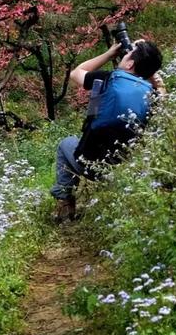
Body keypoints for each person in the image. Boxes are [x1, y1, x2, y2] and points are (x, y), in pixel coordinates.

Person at [50, 38, 164, 221]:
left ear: (130, 63)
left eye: (127, 54)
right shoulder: (153, 95)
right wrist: (155, 80)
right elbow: (163, 98)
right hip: (123, 170)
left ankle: (65, 204)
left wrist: (110, 53)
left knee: (65, 144)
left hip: (89, 163)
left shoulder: (108, 79)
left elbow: (76, 73)